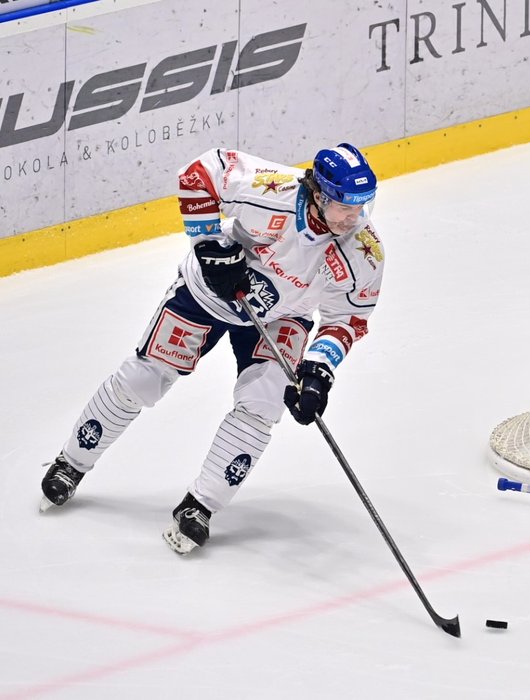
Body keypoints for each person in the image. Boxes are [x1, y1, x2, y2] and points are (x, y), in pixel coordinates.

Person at [39, 143, 385, 555]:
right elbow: (199, 172)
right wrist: (206, 246)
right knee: (143, 378)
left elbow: (348, 318)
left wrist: (317, 370)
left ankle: (200, 506)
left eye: (363, 205)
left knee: (262, 405)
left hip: (282, 318)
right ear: (319, 196)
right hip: (207, 294)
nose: (354, 218)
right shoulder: (269, 190)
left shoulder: (364, 251)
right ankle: (71, 463)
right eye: (346, 207)